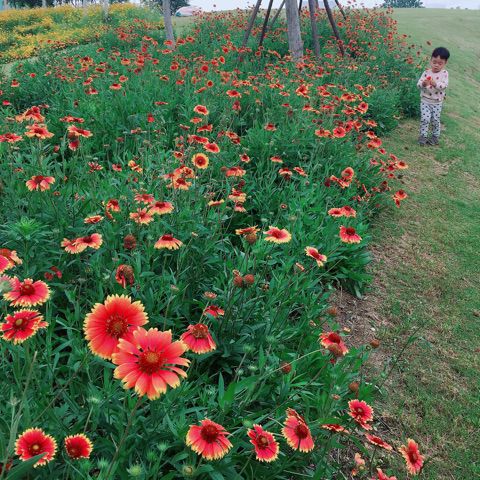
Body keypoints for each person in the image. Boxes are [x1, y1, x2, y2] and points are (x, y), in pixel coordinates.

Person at [417, 47, 450, 146]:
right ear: (431, 60)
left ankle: (435, 137)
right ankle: (423, 136)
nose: (436, 65)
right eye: (434, 62)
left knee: (435, 120)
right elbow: (419, 84)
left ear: (445, 63)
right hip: (425, 100)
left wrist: (435, 84)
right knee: (425, 119)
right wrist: (423, 84)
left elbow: (444, 86)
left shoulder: (444, 74)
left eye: (440, 63)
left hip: (437, 102)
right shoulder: (426, 72)